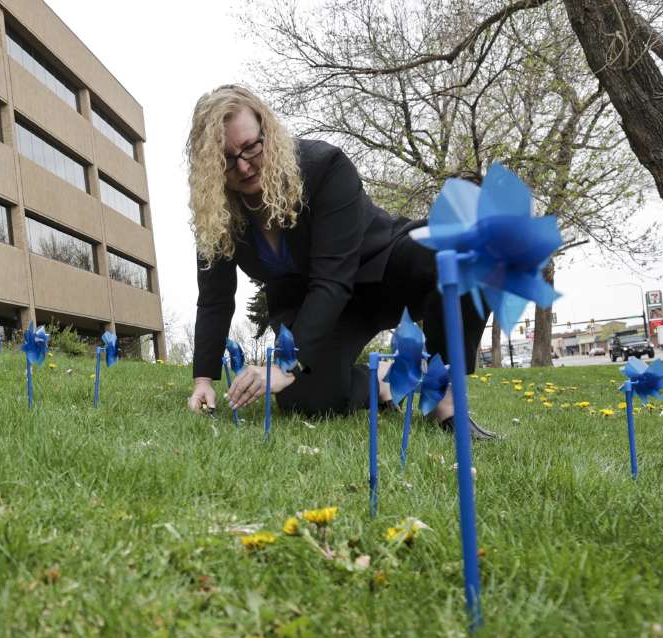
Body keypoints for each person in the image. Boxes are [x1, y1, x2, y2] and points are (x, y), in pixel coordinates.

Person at [184, 84, 495, 438]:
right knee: (306, 397)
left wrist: (286, 363)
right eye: (226, 159)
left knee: (463, 250)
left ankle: (445, 400)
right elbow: (215, 298)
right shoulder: (215, 211)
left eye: (251, 147)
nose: (243, 166)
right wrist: (203, 380)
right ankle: (383, 381)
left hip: (380, 269)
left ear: (267, 131)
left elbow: (333, 277)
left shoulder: (324, 166)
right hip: (310, 307)